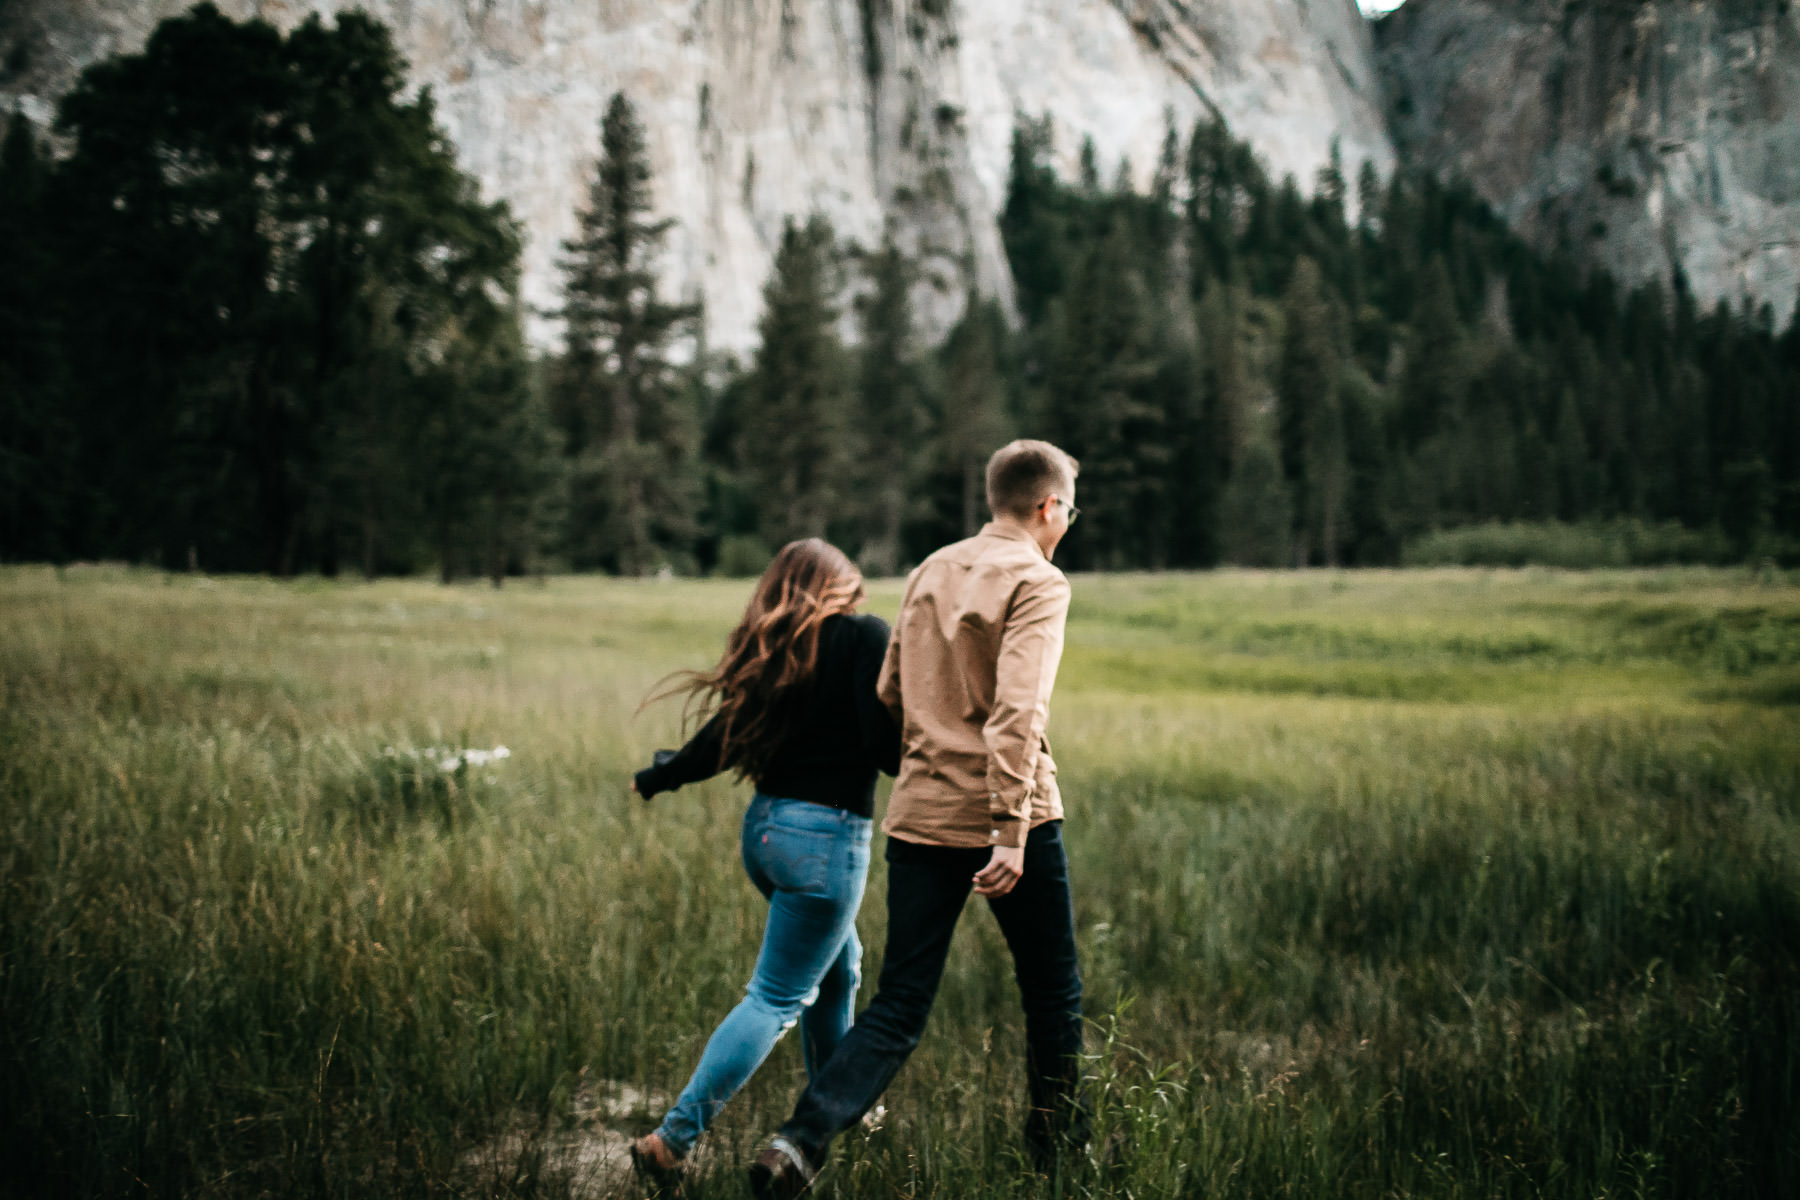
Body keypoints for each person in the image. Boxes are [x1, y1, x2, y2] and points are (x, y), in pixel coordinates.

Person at [749, 440, 1086, 1198]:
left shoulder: (932, 568)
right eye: (1068, 507)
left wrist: (932, 765)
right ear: (1047, 507)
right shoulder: (1039, 580)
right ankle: (1060, 1164)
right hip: (1013, 821)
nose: (1068, 519)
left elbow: (891, 689)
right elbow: (1018, 712)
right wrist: (1008, 828)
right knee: (1053, 995)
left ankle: (798, 1141)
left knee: (900, 1001)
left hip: (920, 815)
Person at [627, 538, 899, 1195]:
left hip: (769, 833)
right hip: (827, 841)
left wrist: (661, 776)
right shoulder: (865, 638)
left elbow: (718, 738)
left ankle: (838, 1102)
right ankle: (672, 1140)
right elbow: (886, 749)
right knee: (776, 997)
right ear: (841, 588)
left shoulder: (780, 653)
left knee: (840, 969)